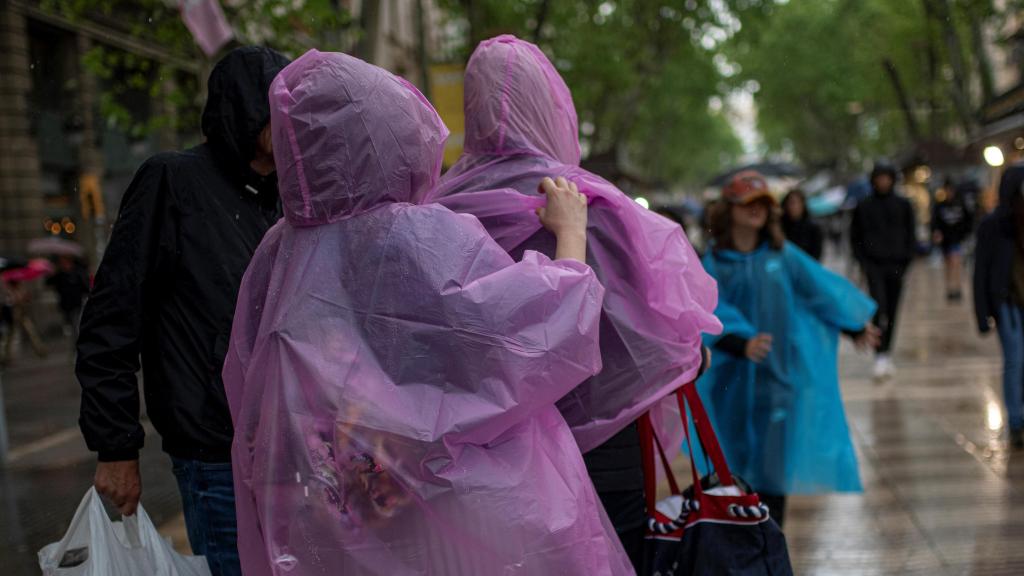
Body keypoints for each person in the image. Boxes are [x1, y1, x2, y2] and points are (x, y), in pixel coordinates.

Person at [223, 49, 633, 575]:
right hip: (452, 515)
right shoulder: (416, 234)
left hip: (341, 512)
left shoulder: (278, 253)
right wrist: (571, 232)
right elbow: (535, 335)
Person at [425, 35, 720, 568]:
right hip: (602, 459)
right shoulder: (593, 205)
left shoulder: (435, 211)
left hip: (481, 467)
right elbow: (657, 341)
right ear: (555, 107)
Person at [76, 46, 290, 576]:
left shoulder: (285, 195)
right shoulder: (171, 182)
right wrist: (115, 447)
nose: (295, 127)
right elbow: (111, 319)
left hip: (287, 453)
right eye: (281, 114)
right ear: (248, 115)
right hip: (215, 456)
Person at [701, 171, 878, 527]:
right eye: (749, 202)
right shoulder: (714, 261)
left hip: (777, 382)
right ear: (729, 209)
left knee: (771, 473)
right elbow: (705, 309)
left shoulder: (783, 256)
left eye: (764, 203)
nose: (758, 210)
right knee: (728, 470)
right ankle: (732, 548)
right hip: (727, 386)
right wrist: (740, 343)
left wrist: (853, 325)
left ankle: (771, 547)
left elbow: (818, 291)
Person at [850, 162, 916, 380]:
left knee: (893, 309)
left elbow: (911, 233)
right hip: (874, 265)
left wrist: (906, 259)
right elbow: (855, 237)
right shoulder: (864, 205)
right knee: (879, 308)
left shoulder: (903, 204)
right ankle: (880, 354)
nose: (883, 182)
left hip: (896, 264)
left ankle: (887, 352)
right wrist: (863, 262)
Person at [974, 163, 1024, 448]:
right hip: (1007, 303)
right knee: (1015, 360)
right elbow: (981, 271)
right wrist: (982, 314)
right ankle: (1016, 420)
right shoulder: (994, 225)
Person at [932, 178, 973, 302]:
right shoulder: (939, 206)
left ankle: (956, 287)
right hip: (946, 240)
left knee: (956, 262)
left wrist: (965, 234)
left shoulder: (960, 204)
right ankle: (950, 288)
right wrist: (936, 233)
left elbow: (969, 220)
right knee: (948, 264)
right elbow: (935, 222)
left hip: (957, 239)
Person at [47, 255, 89, 348]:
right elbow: (49, 283)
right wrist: (52, 272)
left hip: (76, 304)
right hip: (65, 305)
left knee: (75, 324)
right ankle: (76, 342)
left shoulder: (77, 273)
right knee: (70, 324)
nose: (63, 264)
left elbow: (85, 287)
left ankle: (78, 344)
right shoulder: (60, 274)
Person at [1, 280, 47, 363]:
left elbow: (26, 300)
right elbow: (9, 303)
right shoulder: (8, 291)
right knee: (9, 337)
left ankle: (40, 350)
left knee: (31, 332)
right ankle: (5, 356)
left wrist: (25, 298)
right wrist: (16, 299)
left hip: (23, 315)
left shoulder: (21, 289)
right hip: (13, 317)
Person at [781, 188, 824, 260]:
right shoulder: (781, 226)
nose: (794, 207)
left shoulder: (813, 227)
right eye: (791, 203)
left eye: (796, 202)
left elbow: (816, 254)